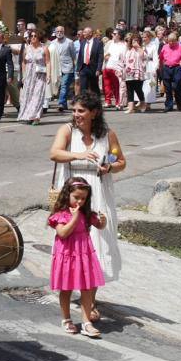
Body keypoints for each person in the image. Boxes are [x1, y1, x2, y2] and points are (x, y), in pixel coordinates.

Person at [49, 92, 124, 320]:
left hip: (98, 193)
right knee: (73, 243)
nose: (76, 115)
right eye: (74, 111)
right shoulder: (67, 131)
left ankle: (89, 302)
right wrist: (79, 154)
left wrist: (110, 168)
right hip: (73, 193)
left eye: (81, 111)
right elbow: (54, 153)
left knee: (96, 245)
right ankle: (73, 296)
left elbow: (121, 162)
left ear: (94, 113)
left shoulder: (107, 135)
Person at [48, 176, 106, 339]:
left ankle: (87, 323)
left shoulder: (86, 214)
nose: (79, 202)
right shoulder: (60, 215)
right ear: (67, 195)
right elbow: (63, 233)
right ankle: (66, 319)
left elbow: (99, 225)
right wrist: (74, 217)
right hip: (67, 255)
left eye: (83, 198)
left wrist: (103, 221)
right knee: (66, 289)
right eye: (76, 197)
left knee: (87, 288)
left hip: (84, 254)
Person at [17, 30, 50, 125]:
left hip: (40, 75)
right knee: (28, 95)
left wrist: (49, 75)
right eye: (31, 36)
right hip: (29, 75)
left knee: (37, 95)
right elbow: (23, 62)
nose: (33, 37)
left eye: (35, 36)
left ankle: (36, 117)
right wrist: (23, 75)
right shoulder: (27, 48)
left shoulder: (44, 48)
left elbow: (48, 62)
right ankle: (28, 116)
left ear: (39, 37)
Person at [160, 33, 181, 112]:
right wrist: (160, 68)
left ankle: (178, 103)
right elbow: (161, 58)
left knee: (177, 86)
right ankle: (169, 105)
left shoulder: (180, 47)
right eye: (169, 41)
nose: (171, 43)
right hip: (167, 67)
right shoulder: (164, 47)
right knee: (168, 88)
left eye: (173, 41)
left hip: (176, 68)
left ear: (176, 41)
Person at [51, 27, 76, 111]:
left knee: (64, 85)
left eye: (61, 31)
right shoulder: (52, 43)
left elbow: (73, 56)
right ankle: (64, 104)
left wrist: (75, 68)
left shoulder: (69, 42)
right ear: (55, 32)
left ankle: (61, 103)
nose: (59, 33)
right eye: (57, 31)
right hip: (56, 67)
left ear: (64, 32)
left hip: (67, 67)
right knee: (58, 85)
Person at [102, 29, 127, 109]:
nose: (112, 35)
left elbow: (124, 57)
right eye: (112, 33)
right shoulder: (110, 43)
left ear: (119, 35)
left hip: (117, 68)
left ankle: (118, 102)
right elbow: (106, 53)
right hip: (108, 66)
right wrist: (106, 56)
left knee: (118, 86)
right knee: (107, 86)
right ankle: (107, 101)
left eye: (114, 33)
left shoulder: (124, 45)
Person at [122, 33, 146, 114]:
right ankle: (131, 107)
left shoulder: (142, 48)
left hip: (138, 72)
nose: (134, 42)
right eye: (133, 40)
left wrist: (138, 47)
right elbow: (123, 59)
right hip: (128, 72)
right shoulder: (128, 49)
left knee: (138, 89)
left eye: (137, 40)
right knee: (129, 90)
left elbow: (143, 56)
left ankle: (142, 104)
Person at [75, 27, 103, 97]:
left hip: (93, 68)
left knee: (94, 88)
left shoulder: (98, 42)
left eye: (84, 32)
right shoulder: (83, 42)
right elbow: (80, 56)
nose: (83, 34)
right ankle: (84, 104)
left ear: (90, 33)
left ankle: (96, 104)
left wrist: (98, 69)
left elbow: (100, 57)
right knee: (83, 87)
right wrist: (78, 69)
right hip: (84, 67)